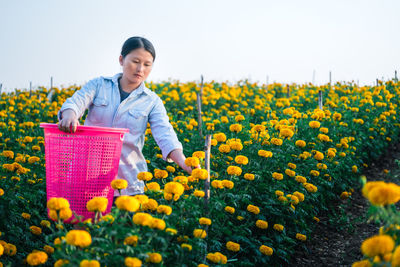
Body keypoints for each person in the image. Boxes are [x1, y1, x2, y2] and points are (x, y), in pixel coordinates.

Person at [57, 36, 197, 197]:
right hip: (89, 178)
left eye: (147, 64)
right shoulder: (99, 85)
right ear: (121, 60)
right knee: (86, 222)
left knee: (125, 223)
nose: (140, 69)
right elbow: (76, 102)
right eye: (135, 61)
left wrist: (184, 162)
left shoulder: (151, 101)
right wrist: (70, 115)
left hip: (128, 182)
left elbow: (166, 135)